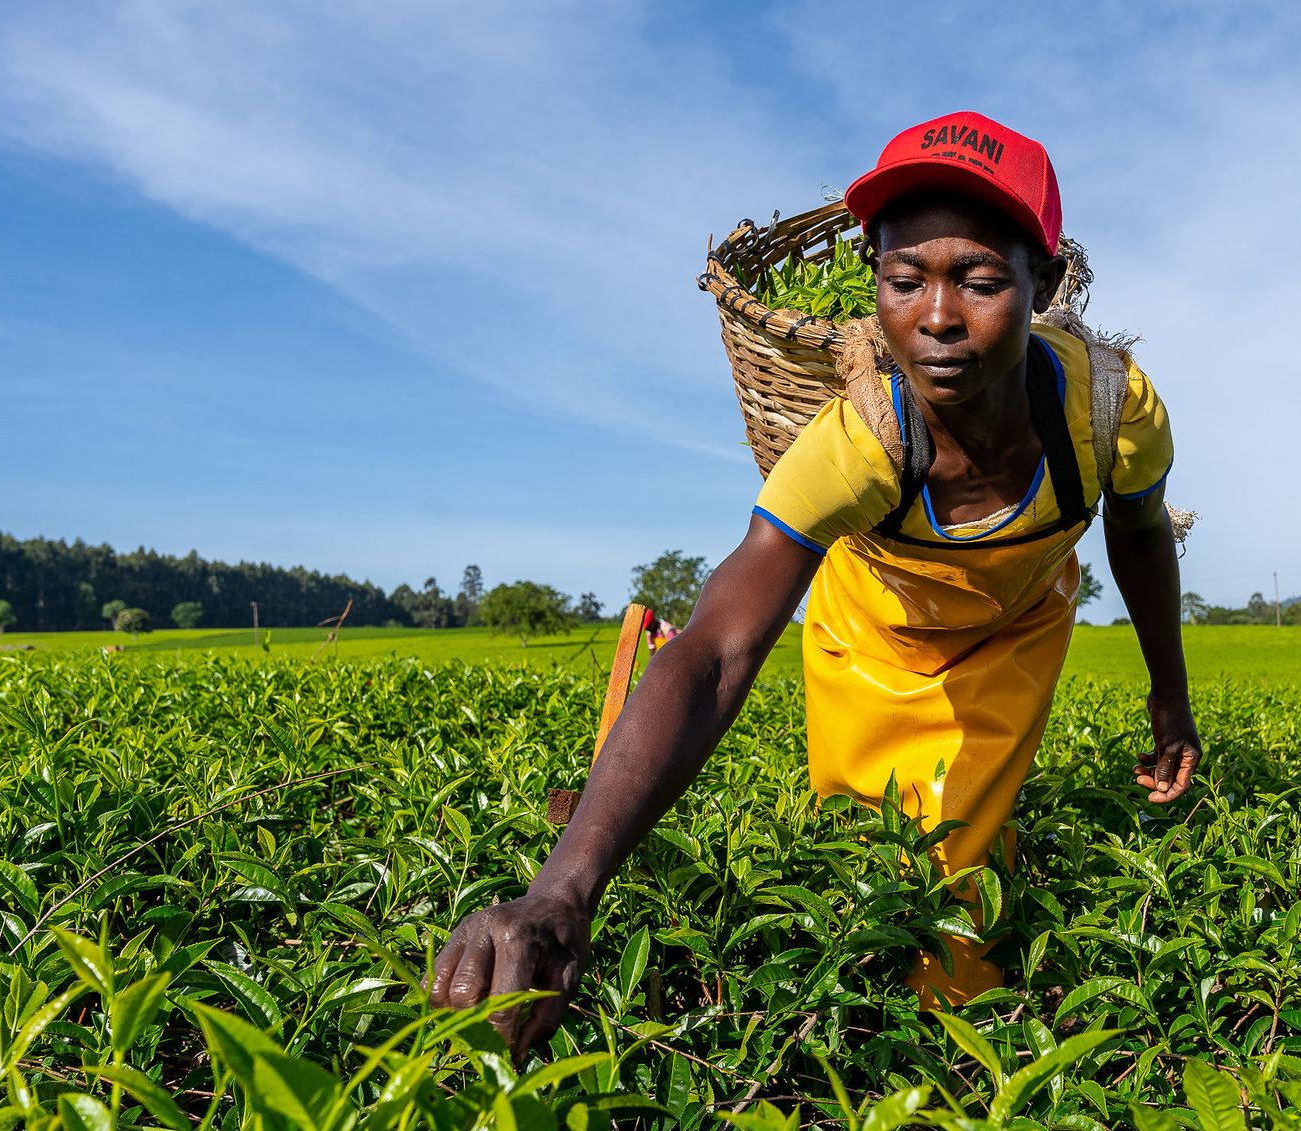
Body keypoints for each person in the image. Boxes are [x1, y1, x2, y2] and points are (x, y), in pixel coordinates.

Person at [429, 110, 1199, 1052]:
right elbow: (716, 649)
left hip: (1014, 630)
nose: (939, 316)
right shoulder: (854, 444)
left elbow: (1141, 534)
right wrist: (562, 888)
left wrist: (1170, 698)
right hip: (872, 636)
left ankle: (953, 1089)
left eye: (982, 280)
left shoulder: (1112, 411)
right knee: (863, 866)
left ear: (1041, 281)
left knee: (954, 901)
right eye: (904, 280)